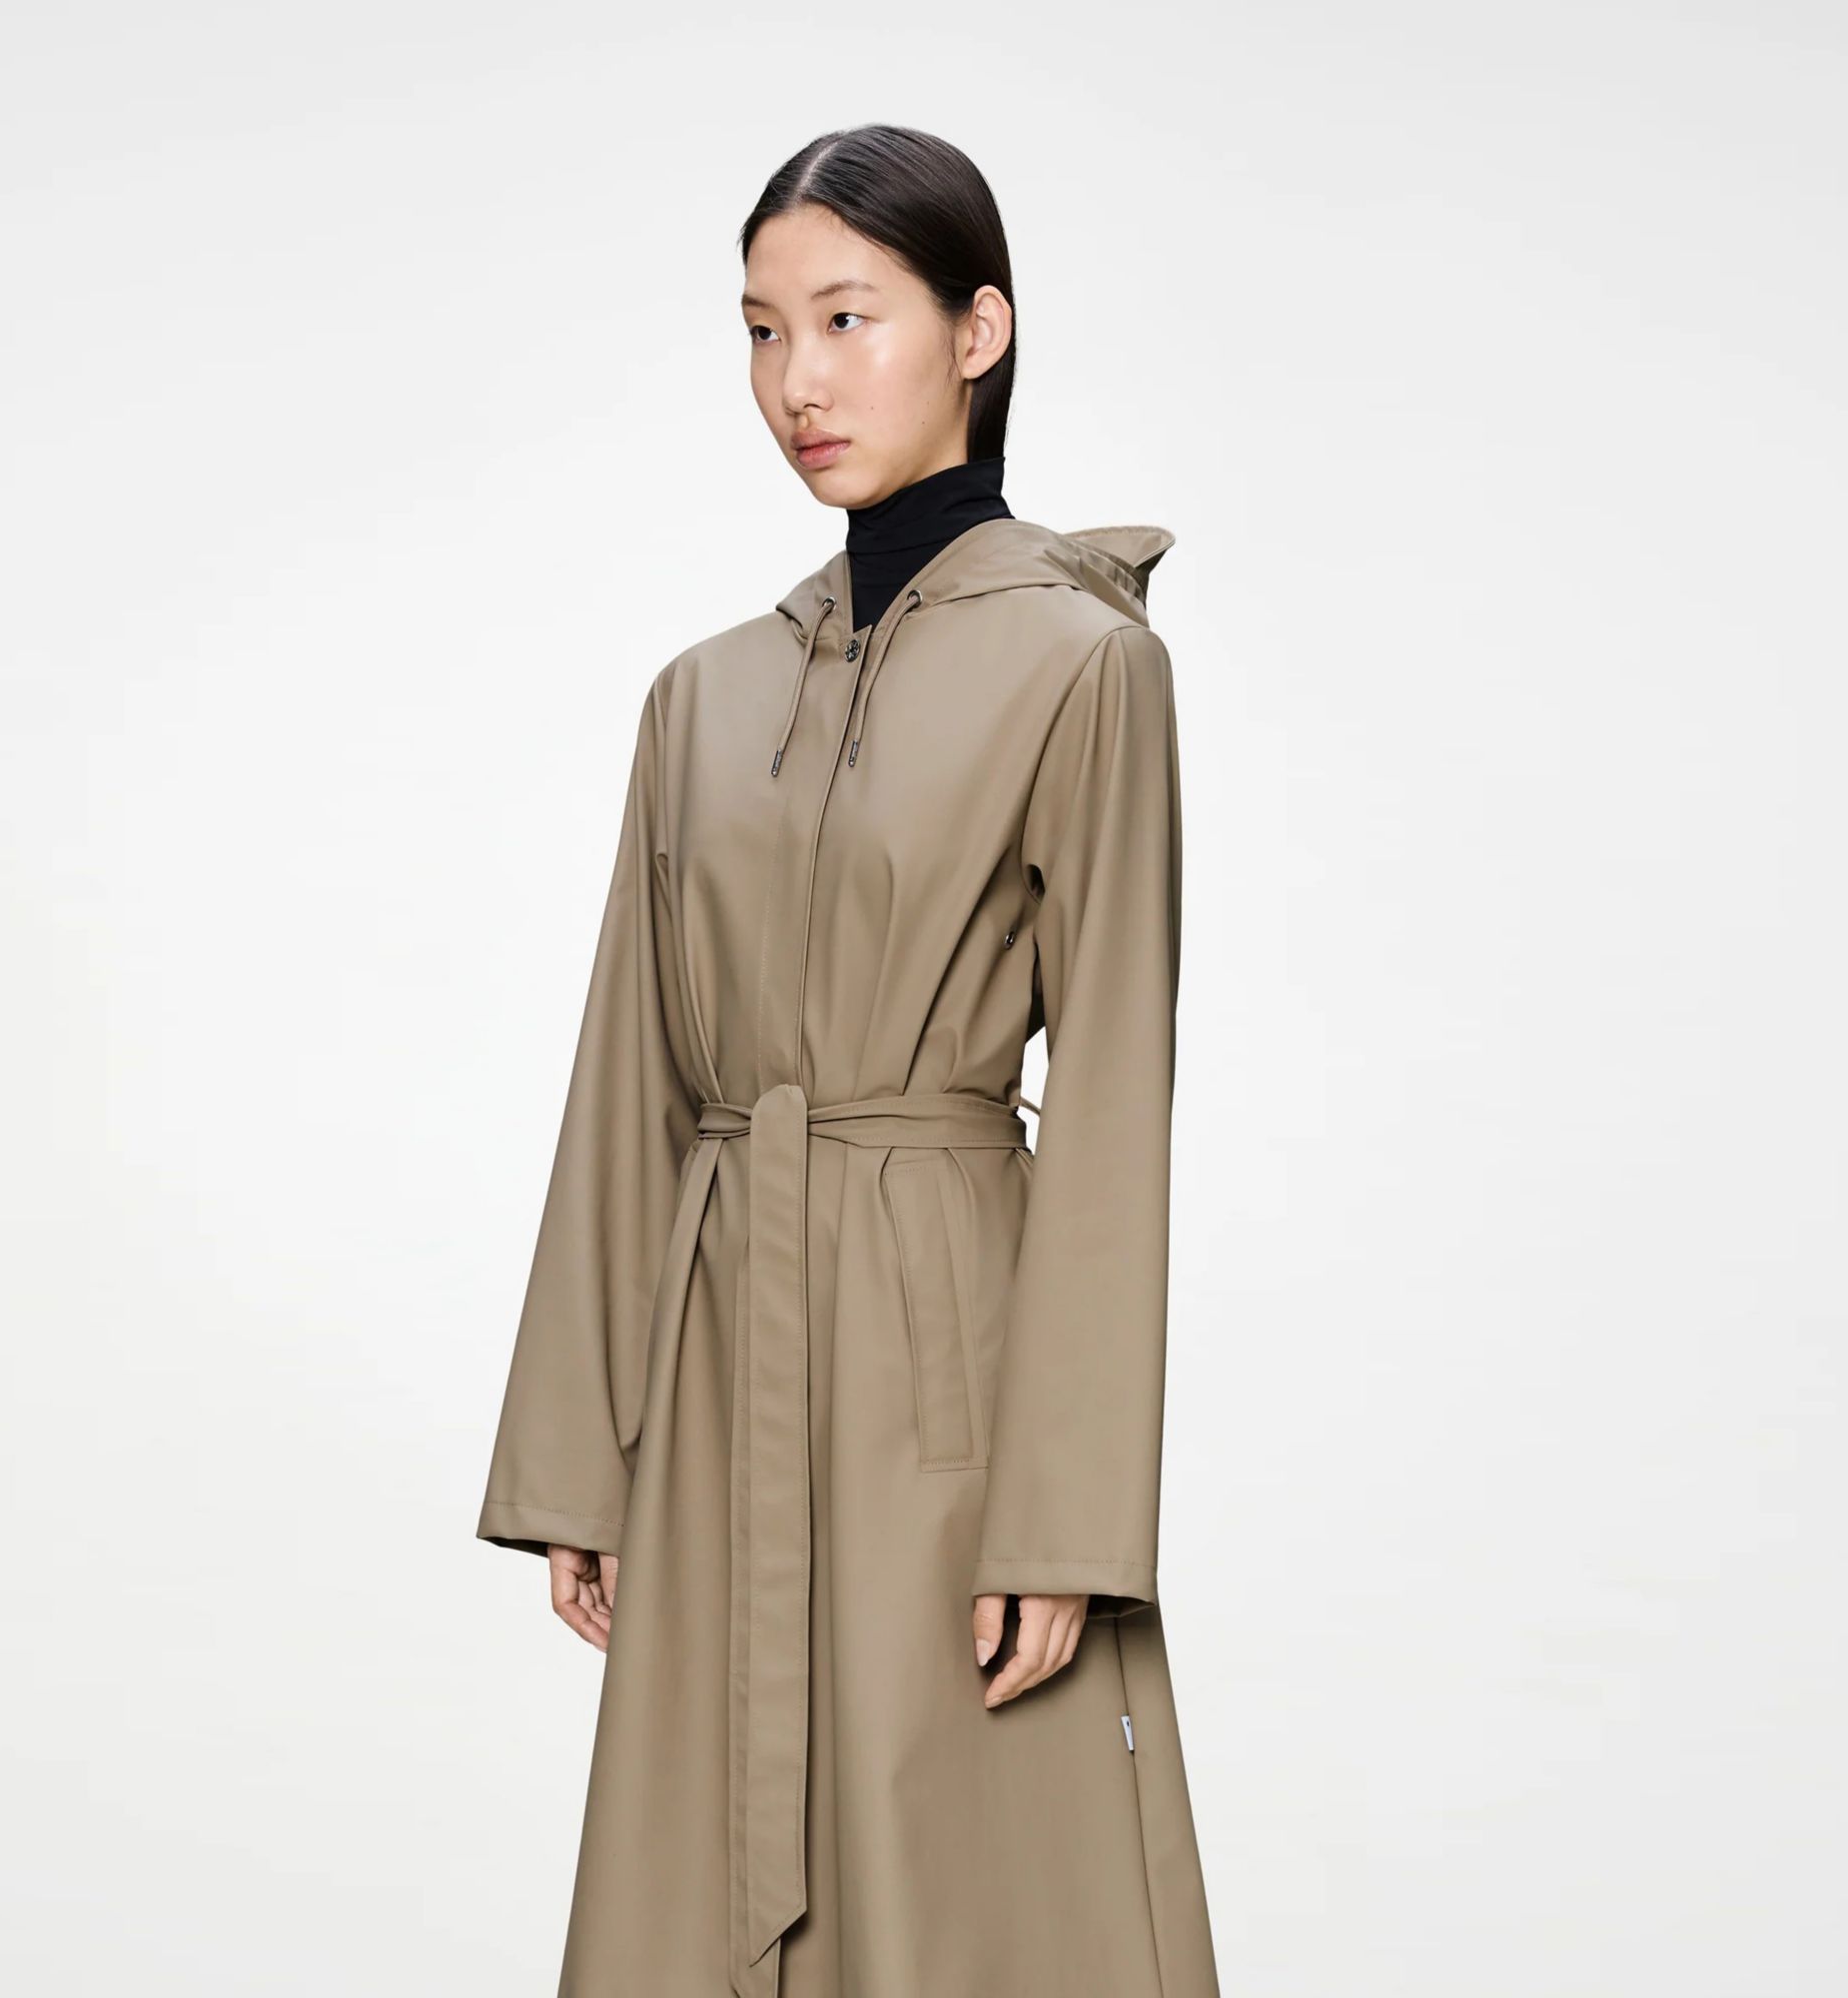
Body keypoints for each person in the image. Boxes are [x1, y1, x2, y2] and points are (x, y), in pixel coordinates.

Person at [476, 123, 1220, 1998]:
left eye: (845, 317)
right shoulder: (703, 696)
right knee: (695, 1882)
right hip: (720, 1356)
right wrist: (580, 1458)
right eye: (759, 330)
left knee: (973, 1882)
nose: (796, 380)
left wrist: (1065, 1513)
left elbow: (1113, 1111)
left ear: (978, 331)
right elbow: (630, 1081)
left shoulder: (1084, 665)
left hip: (947, 1364)